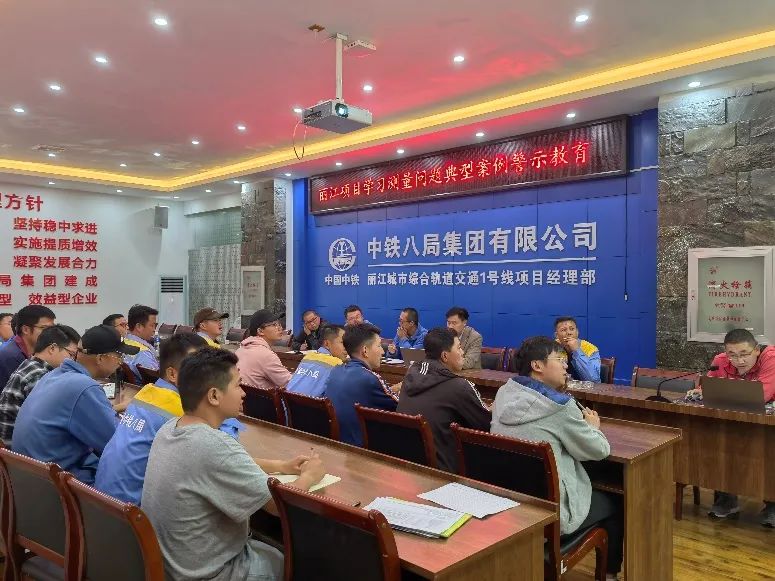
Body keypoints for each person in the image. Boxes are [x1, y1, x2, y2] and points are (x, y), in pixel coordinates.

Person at [141, 348, 325, 581]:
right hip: (209, 573)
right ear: (214, 396)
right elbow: (279, 506)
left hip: (171, 566)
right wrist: (310, 476)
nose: (244, 393)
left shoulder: (171, 428)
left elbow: (224, 463)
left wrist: (281, 465)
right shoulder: (214, 445)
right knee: (293, 562)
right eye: (238, 385)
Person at [490, 336, 621, 581]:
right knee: (615, 500)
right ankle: (610, 574)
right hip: (553, 514)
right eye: (559, 360)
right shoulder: (560, 407)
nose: (566, 365)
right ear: (537, 366)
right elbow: (600, 450)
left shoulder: (504, 393)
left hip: (512, 504)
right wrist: (592, 427)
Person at [13, 325, 139, 485]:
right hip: (59, 484)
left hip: (32, 478)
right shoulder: (84, 386)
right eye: (119, 356)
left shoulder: (54, 374)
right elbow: (116, 441)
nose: (121, 363)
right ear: (100, 358)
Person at [96, 333, 207, 504]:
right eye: (199, 368)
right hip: (133, 508)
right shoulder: (178, 408)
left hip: (103, 498)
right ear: (172, 374)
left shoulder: (147, 392)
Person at [692, 328, 775, 526]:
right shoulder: (721, 360)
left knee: (769, 451)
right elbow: (707, 389)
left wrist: (722, 393)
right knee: (719, 443)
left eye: (744, 354)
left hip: (769, 424)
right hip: (733, 420)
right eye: (733, 355)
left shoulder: (770, 357)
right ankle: (726, 500)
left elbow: (761, 395)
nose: (739, 361)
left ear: (756, 350)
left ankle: (773, 504)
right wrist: (699, 391)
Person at [397, 327, 490, 472]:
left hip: (408, 464)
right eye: (459, 348)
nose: (462, 352)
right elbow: (487, 426)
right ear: (445, 356)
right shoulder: (459, 387)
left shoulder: (411, 375)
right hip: (445, 471)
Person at [0, 324, 81, 446]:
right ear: (52, 348)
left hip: (16, 444)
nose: (73, 361)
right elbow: (54, 419)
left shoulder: (30, 364)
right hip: (18, 449)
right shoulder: (39, 376)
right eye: (71, 354)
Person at [325, 323, 399, 446]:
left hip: (335, 443)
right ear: (365, 350)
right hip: (360, 448)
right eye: (379, 346)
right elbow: (401, 406)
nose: (382, 351)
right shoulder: (370, 378)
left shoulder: (335, 371)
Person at [0, 305, 56, 389]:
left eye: (53, 328)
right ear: (25, 330)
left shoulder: (38, 350)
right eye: (45, 328)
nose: (51, 333)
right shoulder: (10, 356)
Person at [235, 309, 292, 390]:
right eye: (274, 325)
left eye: (279, 324)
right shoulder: (266, 355)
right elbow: (291, 384)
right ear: (260, 331)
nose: (280, 328)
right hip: (260, 398)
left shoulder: (240, 350)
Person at [286, 324, 347, 398]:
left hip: (286, 402)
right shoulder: (337, 364)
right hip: (309, 404)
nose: (347, 347)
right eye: (342, 342)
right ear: (327, 344)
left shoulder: (308, 357)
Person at [554, 316, 601, 382]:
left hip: (585, 387)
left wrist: (577, 351)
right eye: (563, 330)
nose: (569, 333)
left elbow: (593, 379)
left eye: (572, 329)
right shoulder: (553, 348)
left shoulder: (590, 349)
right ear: (557, 335)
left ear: (577, 332)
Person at [124, 304, 160, 382]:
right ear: (139, 327)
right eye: (152, 325)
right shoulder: (143, 353)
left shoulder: (124, 342)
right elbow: (158, 379)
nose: (154, 330)